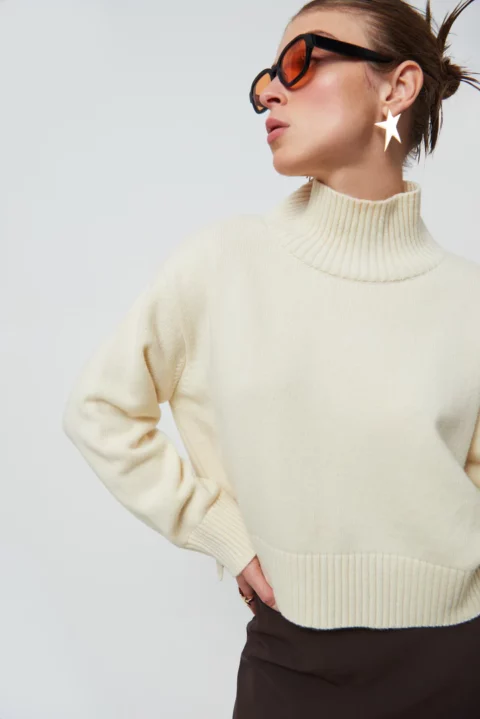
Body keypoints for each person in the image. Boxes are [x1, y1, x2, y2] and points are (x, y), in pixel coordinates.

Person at [62, 0, 480, 716]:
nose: (270, 92)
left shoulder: (468, 299)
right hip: (293, 664)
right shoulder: (222, 265)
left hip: (461, 661)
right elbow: (99, 410)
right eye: (267, 78)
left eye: (300, 61)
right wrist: (222, 532)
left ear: (398, 86)